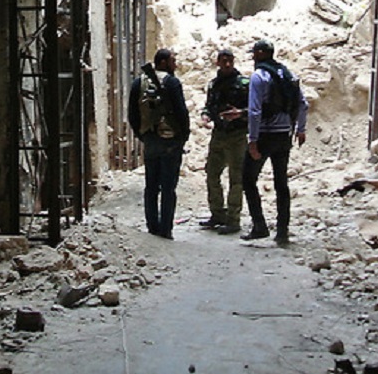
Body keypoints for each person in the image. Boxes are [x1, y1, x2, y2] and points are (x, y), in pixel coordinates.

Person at [241, 39, 308, 246]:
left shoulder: (259, 77)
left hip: (265, 134)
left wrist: (252, 140)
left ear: (260, 54)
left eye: (254, 54)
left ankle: (259, 225)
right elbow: (303, 104)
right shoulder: (288, 74)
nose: (253, 57)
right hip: (284, 135)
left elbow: (254, 111)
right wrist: (301, 129)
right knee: (281, 183)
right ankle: (282, 231)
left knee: (248, 178)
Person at [127, 48, 190, 239]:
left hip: (151, 139)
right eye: (173, 60)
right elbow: (181, 112)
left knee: (151, 185)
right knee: (168, 187)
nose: (175, 64)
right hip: (170, 140)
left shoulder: (139, 82)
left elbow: (132, 113)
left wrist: (142, 135)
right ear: (163, 62)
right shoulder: (172, 82)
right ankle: (166, 228)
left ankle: (152, 225)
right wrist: (183, 136)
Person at [198, 48, 249, 235]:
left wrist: (240, 114)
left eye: (230, 60)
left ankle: (233, 219)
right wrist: (205, 116)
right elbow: (209, 106)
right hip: (219, 134)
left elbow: (256, 109)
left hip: (237, 135)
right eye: (223, 60)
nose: (227, 64)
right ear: (217, 62)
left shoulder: (244, 84)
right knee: (212, 173)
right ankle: (217, 214)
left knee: (236, 178)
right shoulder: (214, 84)